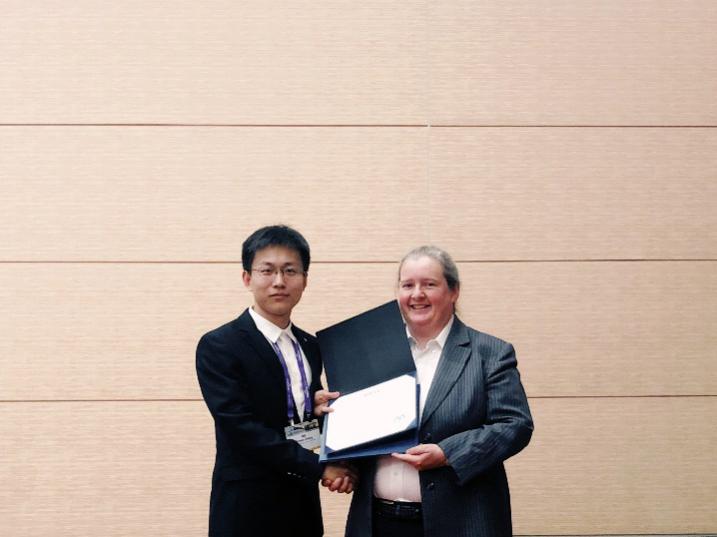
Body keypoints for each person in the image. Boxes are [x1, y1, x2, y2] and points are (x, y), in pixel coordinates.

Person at [316, 245, 533, 537]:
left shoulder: (490, 353)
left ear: (454, 291)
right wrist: (335, 439)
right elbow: (363, 432)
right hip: (377, 522)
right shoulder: (371, 353)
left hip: (461, 523)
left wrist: (447, 453)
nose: (417, 294)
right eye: (407, 285)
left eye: (429, 284)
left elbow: (515, 425)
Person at [196, 225, 355, 537]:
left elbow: (296, 427)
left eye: (290, 271)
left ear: (305, 280)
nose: (279, 281)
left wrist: (318, 417)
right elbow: (242, 429)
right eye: (267, 270)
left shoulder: (310, 346)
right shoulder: (220, 345)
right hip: (246, 511)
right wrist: (322, 468)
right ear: (247, 278)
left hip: (301, 509)